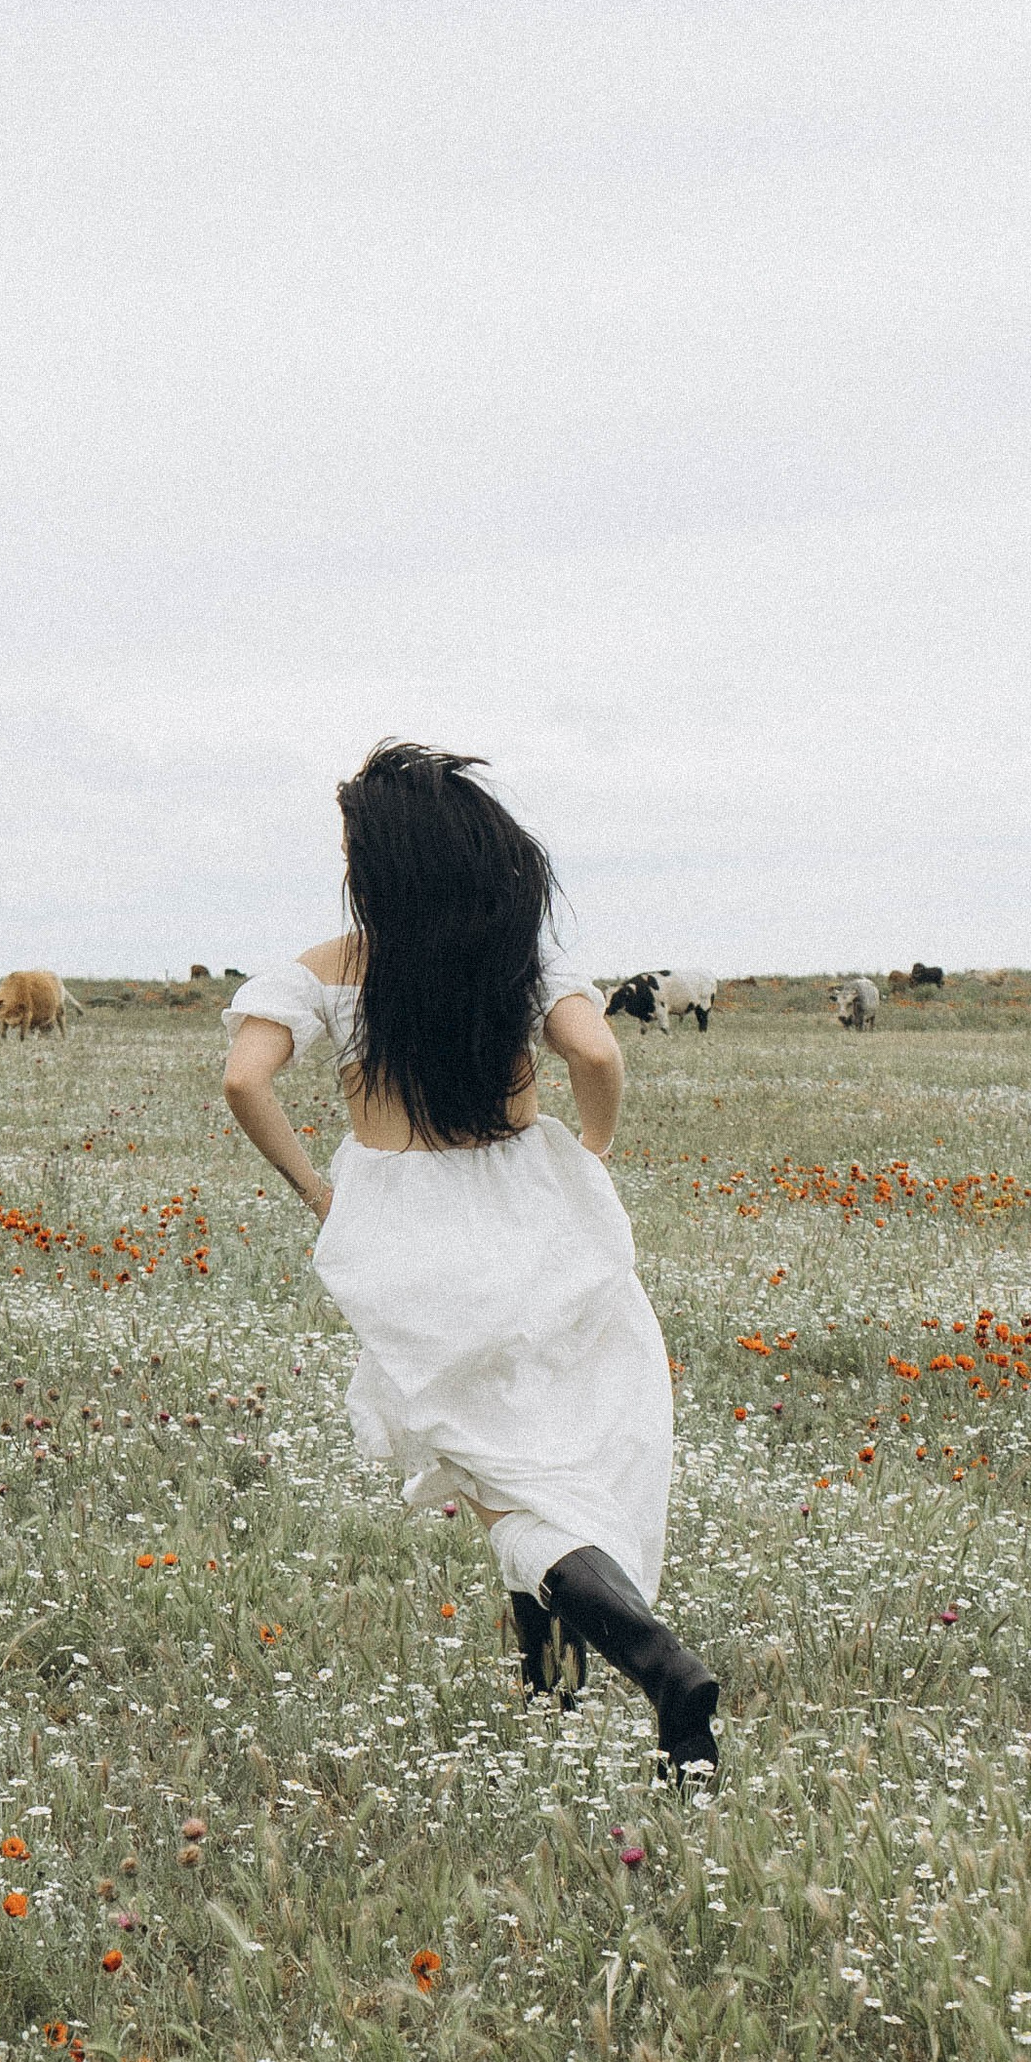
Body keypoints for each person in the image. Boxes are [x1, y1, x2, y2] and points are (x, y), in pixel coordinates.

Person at [221, 741, 719, 1773]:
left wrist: (315, 1190)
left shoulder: (329, 968)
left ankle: (660, 1667)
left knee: (498, 1473)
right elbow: (596, 1051)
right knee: (553, 1445)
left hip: (407, 1231)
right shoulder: (520, 956)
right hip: (535, 1208)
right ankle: (550, 1681)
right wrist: (591, 1150)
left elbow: (243, 1079)